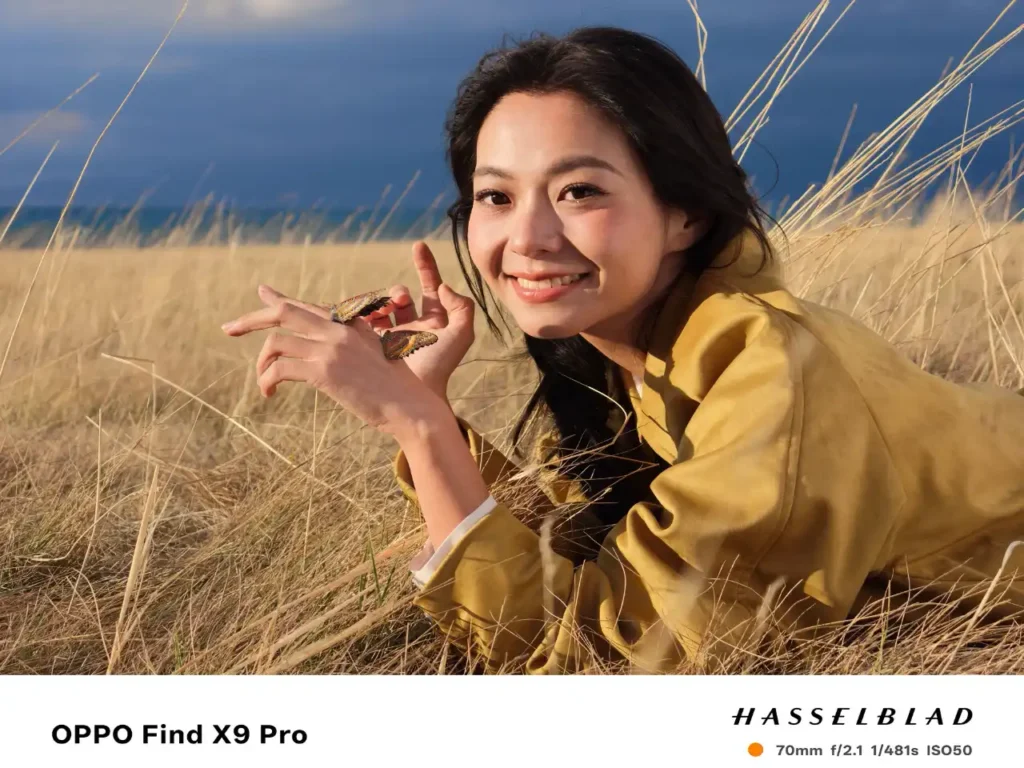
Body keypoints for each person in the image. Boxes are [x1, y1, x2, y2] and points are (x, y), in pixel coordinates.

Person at [222, 27, 1024, 674]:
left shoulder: (773, 370)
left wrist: (420, 431)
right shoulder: (625, 352)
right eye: (496, 196)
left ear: (684, 214)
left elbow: (613, 665)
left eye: (580, 191)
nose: (528, 238)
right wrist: (429, 409)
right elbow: (570, 548)